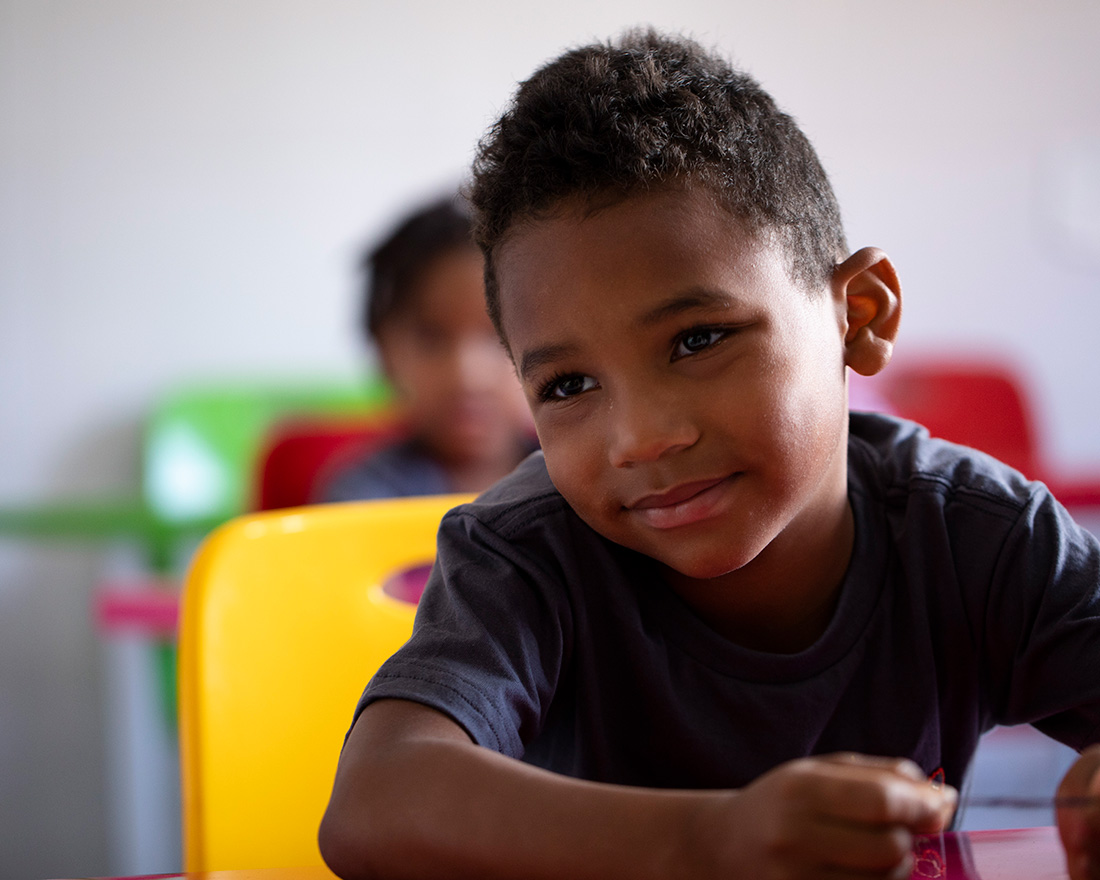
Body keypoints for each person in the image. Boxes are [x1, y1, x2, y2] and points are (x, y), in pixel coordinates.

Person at [320, 31, 1100, 880]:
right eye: (570, 386)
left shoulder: (976, 536)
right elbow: (373, 806)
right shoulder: (527, 556)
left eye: (697, 339)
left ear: (861, 316)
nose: (640, 438)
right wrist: (712, 840)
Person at [317, 193, 534, 502]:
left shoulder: (582, 479)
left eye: (498, 335)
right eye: (431, 336)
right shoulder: (362, 500)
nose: (468, 374)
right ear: (384, 352)